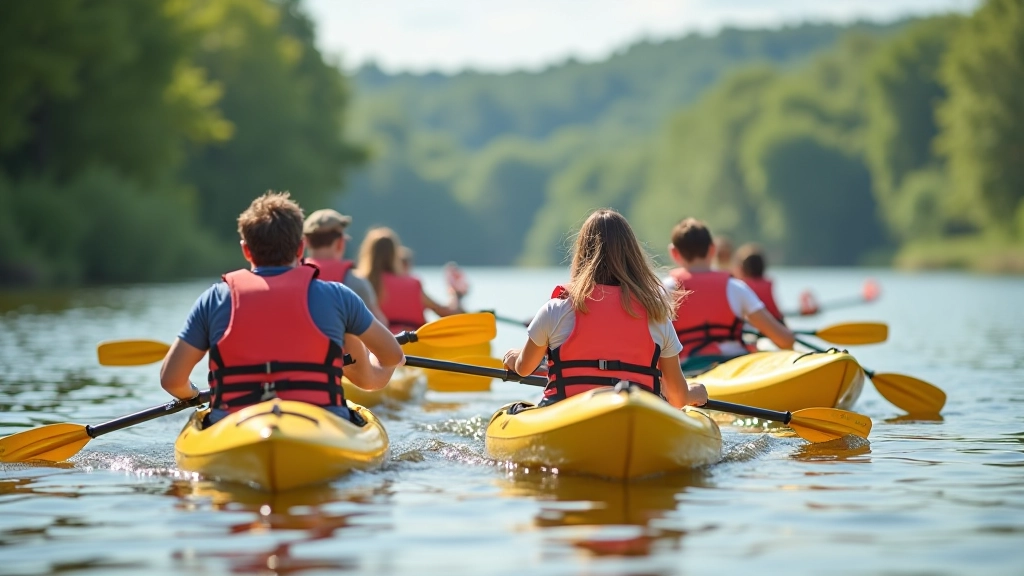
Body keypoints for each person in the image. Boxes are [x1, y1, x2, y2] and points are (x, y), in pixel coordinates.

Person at [159, 192, 405, 425]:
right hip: (321, 420)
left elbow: (171, 380)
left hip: (234, 424)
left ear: (246, 250)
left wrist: (192, 395)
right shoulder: (339, 296)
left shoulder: (214, 299)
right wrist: (382, 364)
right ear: (300, 249)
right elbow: (392, 356)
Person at [502, 209, 707, 409]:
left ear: (582, 253)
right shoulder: (657, 315)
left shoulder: (555, 310)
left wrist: (514, 359)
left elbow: (524, 368)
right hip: (636, 414)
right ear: (632, 255)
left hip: (566, 414)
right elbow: (678, 398)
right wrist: (693, 392)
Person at [666, 218, 794, 372]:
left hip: (686, 369)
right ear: (712, 250)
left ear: (674, 253)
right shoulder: (736, 287)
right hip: (735, 367)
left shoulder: (664, 290)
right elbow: (785, 341)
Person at [356, 227, 466, 334]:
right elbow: (448, 313)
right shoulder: (413, 285)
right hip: (412, 347)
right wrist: (455, 295)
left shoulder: (358, 283)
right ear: (395, 255)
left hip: (376, 347)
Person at [303, 208, 388, 324]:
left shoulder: (295, 278)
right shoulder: (357, 283)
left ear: (306, 242)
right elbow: (381, 325)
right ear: (340, 243)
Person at [733, 243, 785, 323]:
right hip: (774, 325)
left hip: (753, 327)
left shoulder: (740, 286)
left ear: (742, 268)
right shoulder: (767, 284)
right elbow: (777, 314)